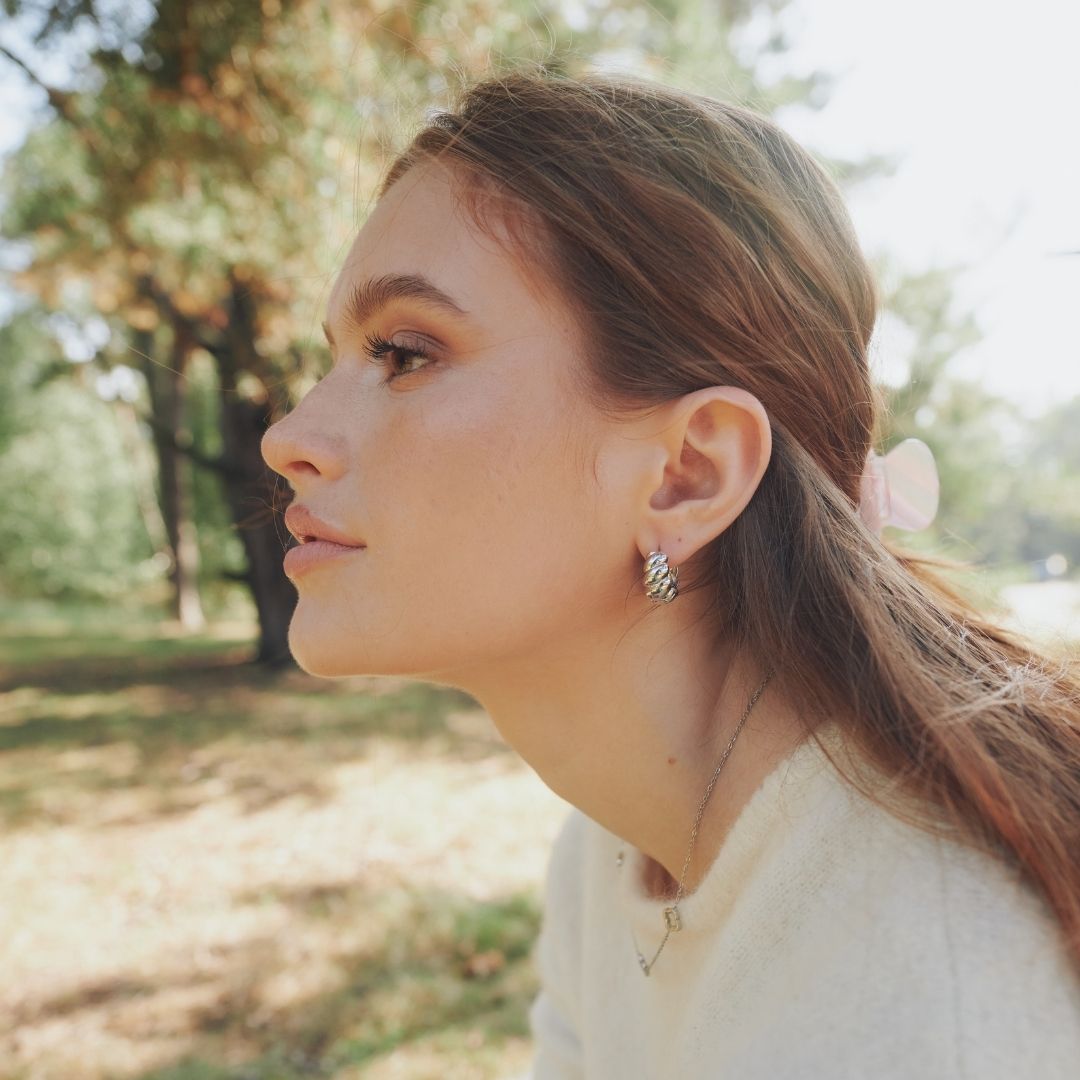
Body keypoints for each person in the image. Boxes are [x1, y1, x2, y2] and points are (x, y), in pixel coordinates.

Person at [260, 67, 1080, 1077]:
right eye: (336, 358)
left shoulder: (933, 1017)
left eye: (403, 353)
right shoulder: (617, 844)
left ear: (688, 475)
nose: (288, 437)